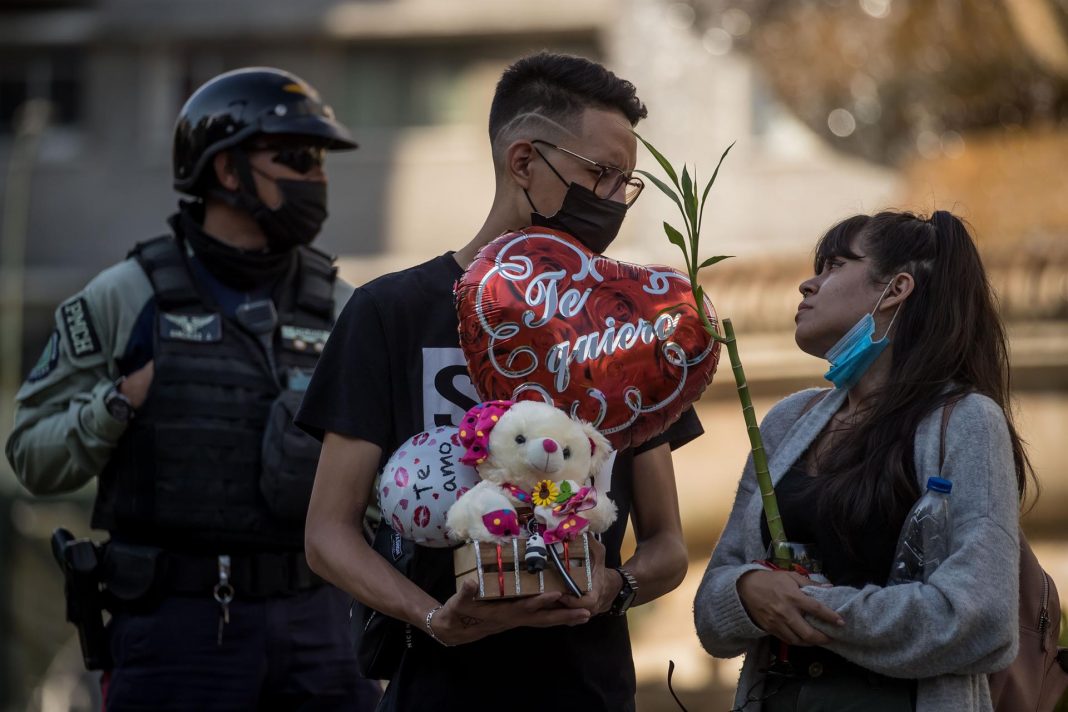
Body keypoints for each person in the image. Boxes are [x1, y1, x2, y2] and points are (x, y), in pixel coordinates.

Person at [297, 52, 703, 712]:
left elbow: (668, 544)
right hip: (438, 693)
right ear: (523, 163)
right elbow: (327, 536)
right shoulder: (392, 313)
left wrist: (614, 587)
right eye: (600, 174)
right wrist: (434, 619)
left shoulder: (631, 324)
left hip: (588, 693)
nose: (612, 203)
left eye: (626, 184)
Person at [6, 67, 380, 711]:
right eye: (294, 157)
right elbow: (32, 457)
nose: (314, 178)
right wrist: (116, 405)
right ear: (227, 172)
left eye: (319, 161)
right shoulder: (126, 296)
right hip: (175, 631)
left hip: (322, 628)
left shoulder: (344, 308)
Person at [693, 210, 1027, 712]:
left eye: (833, 266)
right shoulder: (789, 421)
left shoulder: (966, 421)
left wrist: (804, 606)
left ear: (895, 289)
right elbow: (711, 610)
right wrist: (748, 590)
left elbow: (981, 617)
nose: (808, 284)